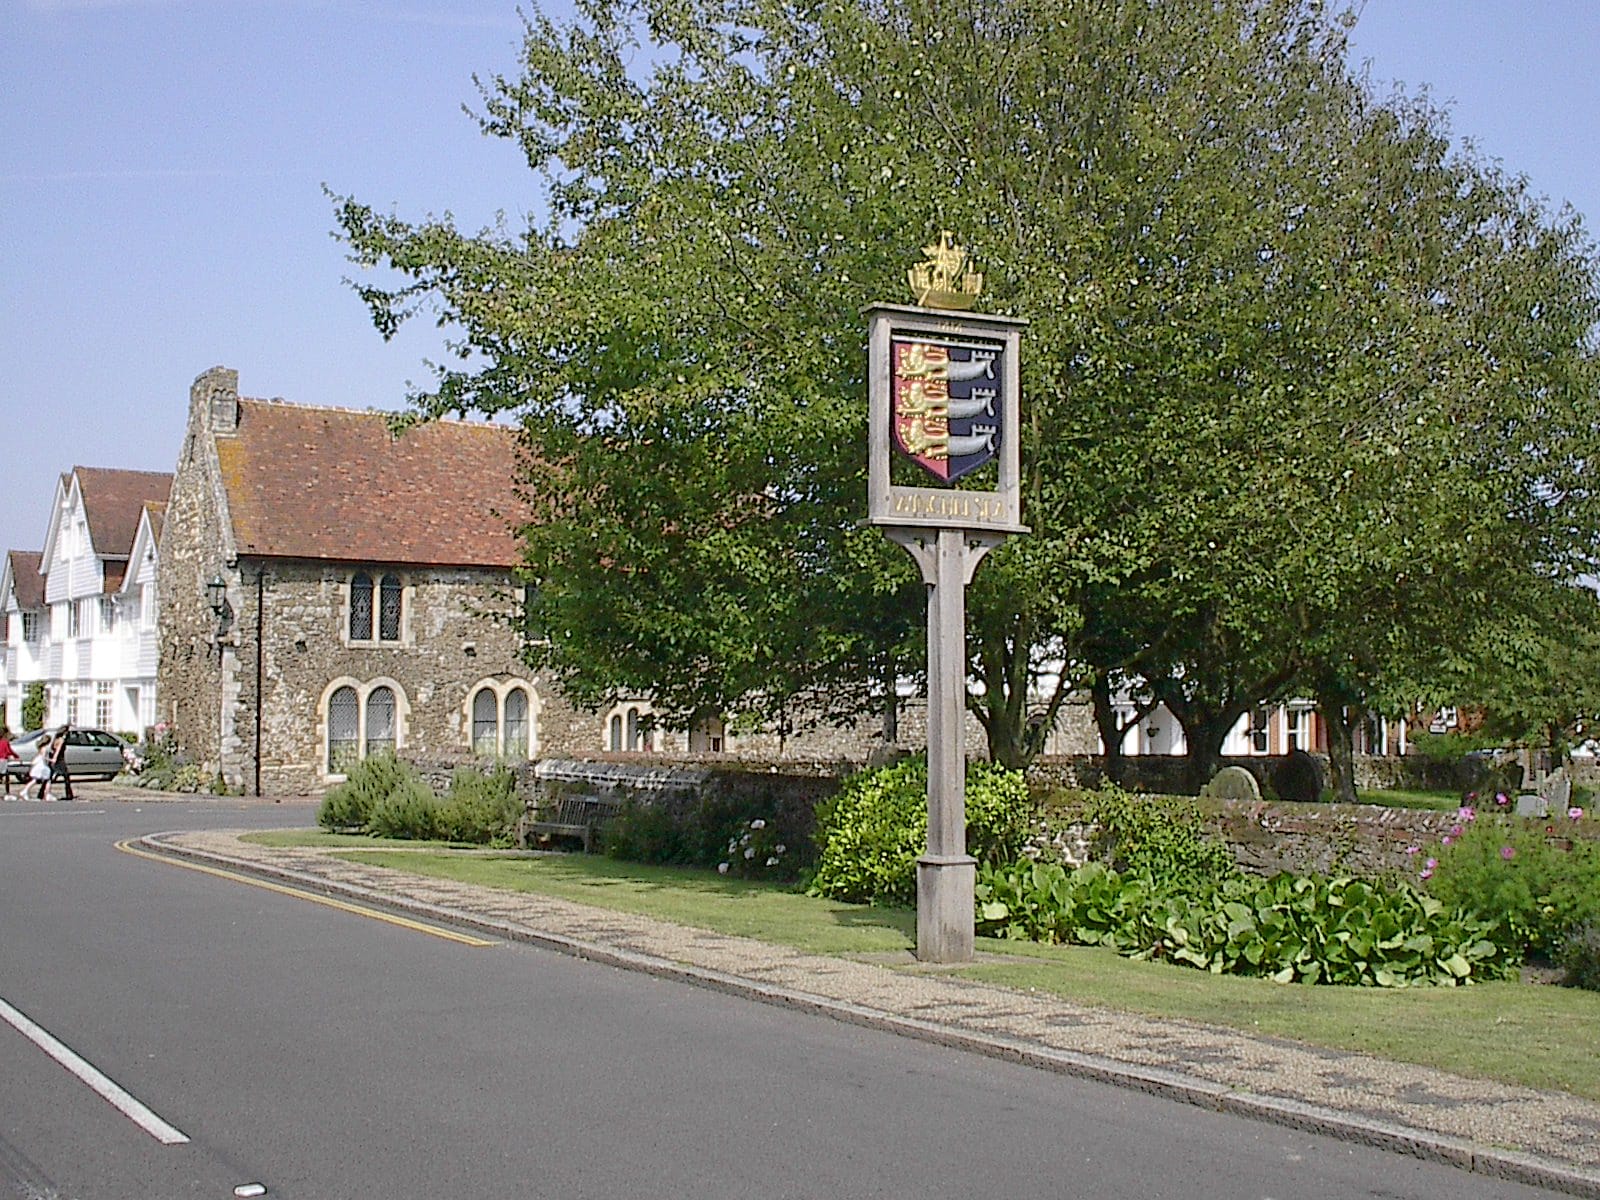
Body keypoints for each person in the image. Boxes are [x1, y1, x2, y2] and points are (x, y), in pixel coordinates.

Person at [45, 727, 73, 802]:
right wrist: (54, 758)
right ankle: (69, 794)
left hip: (55, 758)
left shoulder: (55, 739)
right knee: (66, 776)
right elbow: (58, 750)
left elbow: (52, 749)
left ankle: (42, 793)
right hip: (59, 760)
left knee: (49, 776)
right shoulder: (61, 740)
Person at [0, 727, 16, 799]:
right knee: (6, 777)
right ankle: (7, 792)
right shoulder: (5, 742)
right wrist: (16, 756)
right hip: (3, 760)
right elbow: (9, 751)